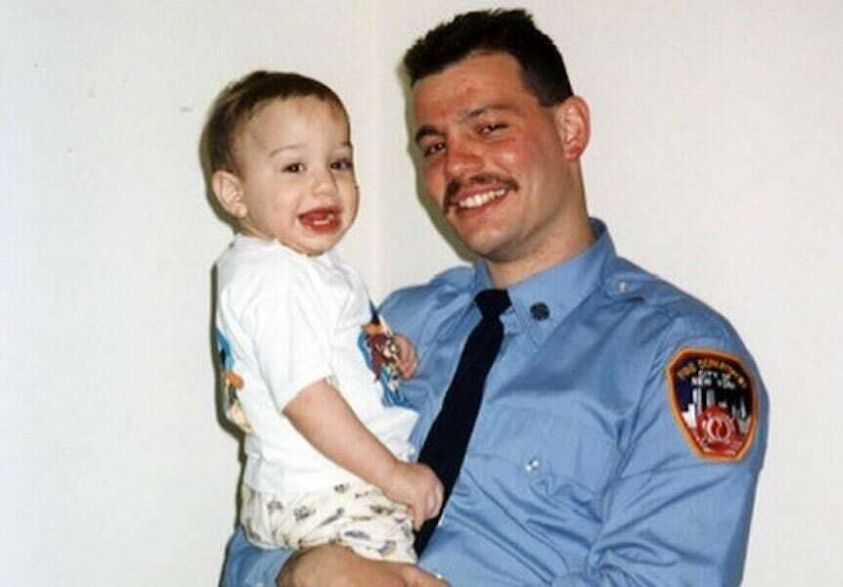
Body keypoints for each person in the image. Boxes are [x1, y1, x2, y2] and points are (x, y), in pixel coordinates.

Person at [221, 9, 768, 586]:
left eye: (488, 128)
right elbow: (261, 532)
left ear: (570, 130)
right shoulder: (398, 321)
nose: (457, 164)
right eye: (433, 146)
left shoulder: (676, 357)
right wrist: (304, 571)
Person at [205, 71, 443, 566]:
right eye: (293, 167)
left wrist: (388, 354)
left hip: (330, 483)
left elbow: (334, 358)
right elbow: (306, 399)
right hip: (330, 490)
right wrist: (394, 476)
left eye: (339, 162)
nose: (324, 183)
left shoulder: (306, 269)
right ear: (234, 193)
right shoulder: (274, 277)